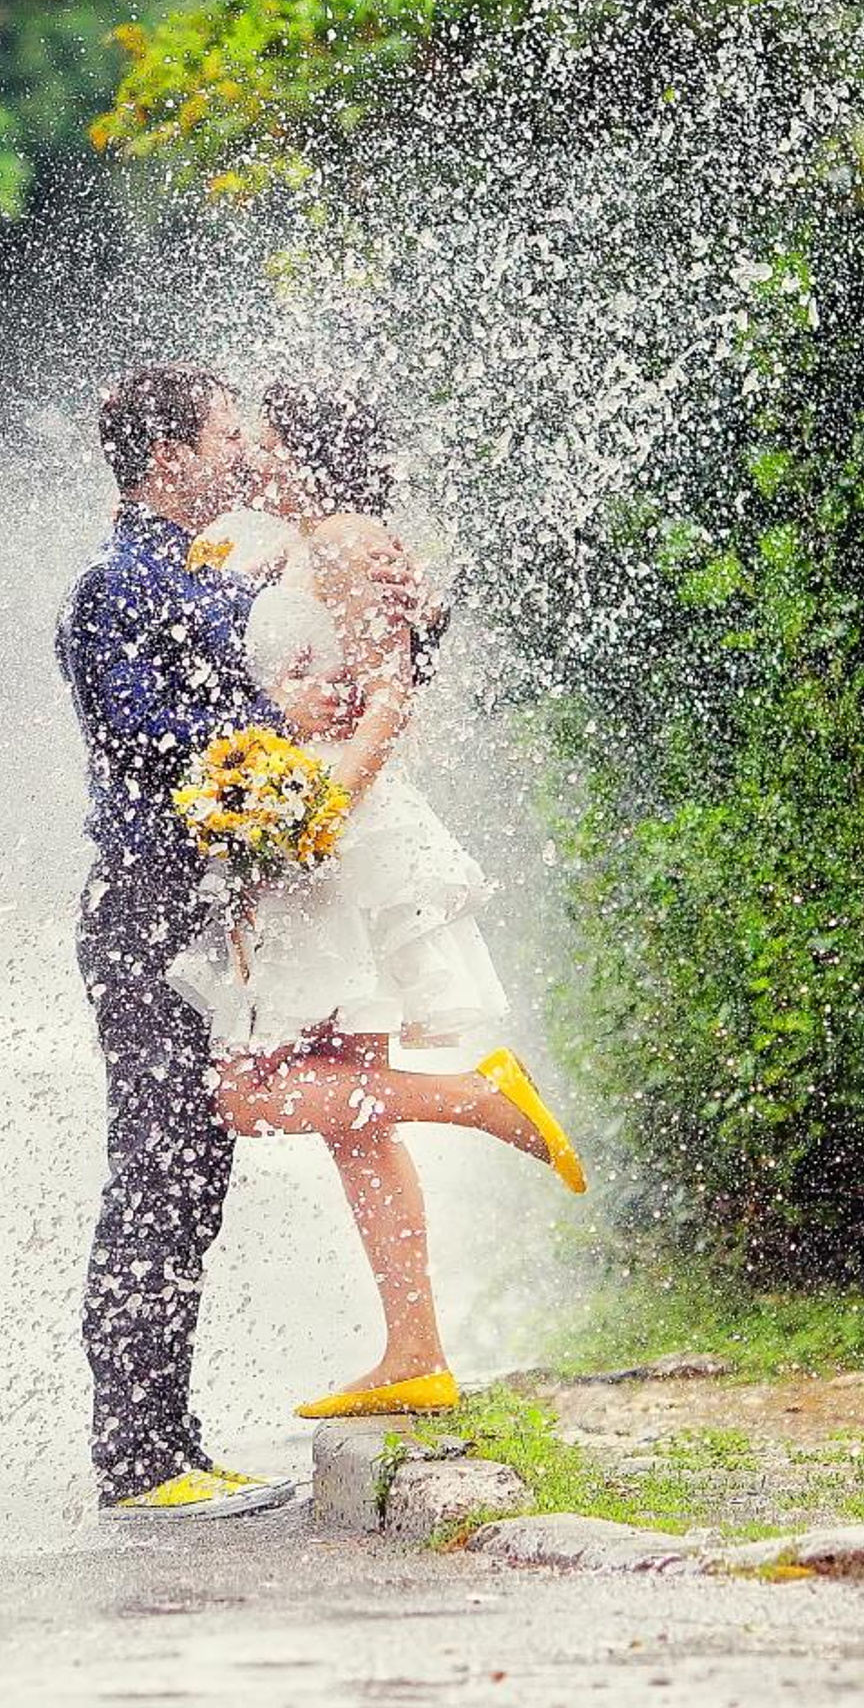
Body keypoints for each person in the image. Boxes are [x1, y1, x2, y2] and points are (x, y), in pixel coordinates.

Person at [167, 382, 586, 1424]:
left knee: (247, 1092)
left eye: (263, 440)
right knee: (352, 1119)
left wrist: (314, 807)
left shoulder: (351, 541)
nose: (251, 457)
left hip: (339, 835)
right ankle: (416, 1353)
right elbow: (300, 656)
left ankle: (479, 1100)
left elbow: (390, 697)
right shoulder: (295, 541)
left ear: (305, 451)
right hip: (310, 821)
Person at [56, 364, 424, 1520]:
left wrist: (385, 594)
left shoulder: (216, 568)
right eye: (224, 435)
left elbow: (309, 620)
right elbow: (149, 740)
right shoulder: (112, 587)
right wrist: (278, 721)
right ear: (167, 458)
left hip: (219, 908)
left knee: (196, 1171)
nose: (244, 452)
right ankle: (140, 1460)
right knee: (158, 1168)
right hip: (146, 906)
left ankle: (177, 1441)